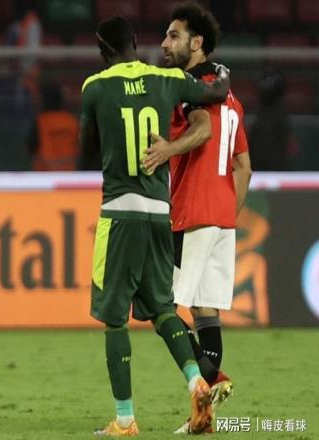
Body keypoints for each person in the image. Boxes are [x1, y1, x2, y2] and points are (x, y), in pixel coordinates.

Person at [80, 15, 231, 436]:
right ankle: (197, 382)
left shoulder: (95, 87)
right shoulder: (167, 79)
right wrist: (221, 72)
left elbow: (86, 149)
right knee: (163, 309)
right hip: (158, 213)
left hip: (119, 212)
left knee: (115, 319)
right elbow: (216, 91)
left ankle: (125, 419)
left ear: (102, 49)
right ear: (134, 41)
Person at [142, 1, 252, 433]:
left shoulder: (190, 88)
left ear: (197, 42)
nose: (164, 43)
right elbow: (244, 168)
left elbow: (202, 128)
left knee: (156, 303)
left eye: (174, 35)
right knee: (206, 309)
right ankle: (204, 414)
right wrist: (225, 214)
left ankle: (210, 379)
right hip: (221, 217)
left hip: (192, 213)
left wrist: (166, 151)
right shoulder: (233, 100)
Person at [28, 80, 79, 170]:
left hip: (45, 174)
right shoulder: (71, 121)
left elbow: (30, 147)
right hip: (68, 173)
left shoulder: (41, 121)